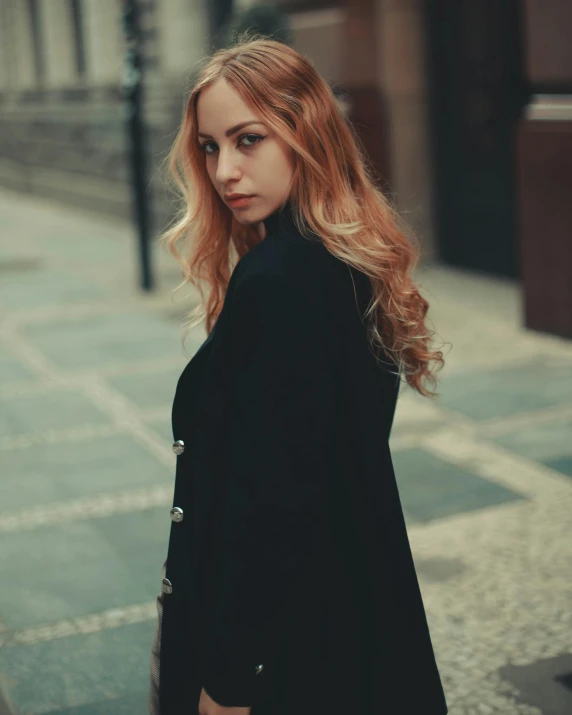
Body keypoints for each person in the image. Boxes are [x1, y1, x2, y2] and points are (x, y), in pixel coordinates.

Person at [149, 34, 448, 715]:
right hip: (351, 607)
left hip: (293, 645)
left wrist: (229, 678)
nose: (225, 169)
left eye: (248, 139)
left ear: (304, 132)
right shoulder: (341, 261)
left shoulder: (279, 281)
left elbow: (271, 504)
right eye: (210, 146)